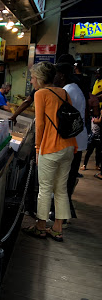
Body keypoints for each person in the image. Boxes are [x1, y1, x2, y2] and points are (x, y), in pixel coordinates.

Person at [23, 61, 77, 242]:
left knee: (44, 189)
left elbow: (40, 124)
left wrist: (38, 148)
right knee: (61, 189)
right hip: (69, 145)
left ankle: (40, 227)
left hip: (51, 147)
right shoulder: (63, 92)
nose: (31, 81)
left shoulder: (41, 94)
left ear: (39, 78)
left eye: (32, 77)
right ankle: (57, 229)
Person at [53, 63, 88, 218]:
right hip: (77, 140)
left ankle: (61, 216)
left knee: (63, 180)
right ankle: (66, 212)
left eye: (55, 74)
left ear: (61, 75)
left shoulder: (68, 91)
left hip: (72, 141)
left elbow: (61, 118)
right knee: (67, 179)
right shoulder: (75, 88)